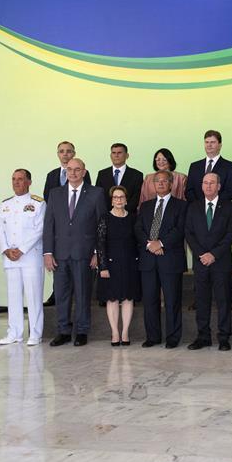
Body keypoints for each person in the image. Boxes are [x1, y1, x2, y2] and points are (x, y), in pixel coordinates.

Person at [43, 158, 106, 347]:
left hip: (85, 253)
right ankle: (63, 331)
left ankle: (81, 331)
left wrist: (97, 253)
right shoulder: (55, 194)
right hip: (60, 254)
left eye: (77, 169)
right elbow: (49, 225)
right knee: (61, 295)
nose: (73, 173)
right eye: (69, 169)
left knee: (82, 294)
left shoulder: (96, 193)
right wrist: (47, 252)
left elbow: (101, 225)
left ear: (84, 172)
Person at [185, 173, 232, 351]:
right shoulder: (193, 207)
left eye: (212, 183)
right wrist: (202, 254)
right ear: (201, 186)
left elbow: (231, 234)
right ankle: (203, 336)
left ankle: (224, 337)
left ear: (219, 186)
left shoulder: (230, 208)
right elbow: (189, 233)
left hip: (221, 261)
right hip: (200, 262)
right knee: (201, 301)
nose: (208, 186)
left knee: (223, 301)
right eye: (205, 183)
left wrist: (213, 254)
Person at [136, 170, 188, 348]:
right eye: (157, 181)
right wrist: (150, 245)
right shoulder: (145, 206)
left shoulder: (181, 205)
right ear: (152, 184)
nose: (160, 184)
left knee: (172, 300)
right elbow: (138, 229)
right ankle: (153, 336)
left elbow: (180, 230)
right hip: (148, 260)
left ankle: (173, 337)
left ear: (171, 184)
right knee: (150, 300)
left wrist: (161, 243)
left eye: (164, 181)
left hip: (170, 260)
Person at [0, 169, 46, 346]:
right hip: (10, 258)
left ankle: (35, 333)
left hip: (31, 257)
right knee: (14, 297)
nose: (16, 182)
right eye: (14, 179)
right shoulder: (5, 204)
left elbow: (39, 230)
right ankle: (14, 333)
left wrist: (22, 249)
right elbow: (0, 228)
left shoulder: (38, 203)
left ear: (29, 182)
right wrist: (6, 249)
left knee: (33, 297)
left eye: (20, 179)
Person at [42, 140, 91, 307]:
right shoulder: (52, 175)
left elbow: (87, 201)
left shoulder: (84, 174)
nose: (65, 154)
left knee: (79, 282)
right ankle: (56, 294)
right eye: (61, 151)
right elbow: (48, 203)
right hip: (59, 231)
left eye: (69, 151)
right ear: (58, 154)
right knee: (60, 275)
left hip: (79, 236)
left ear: (74, 154)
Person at [96, 185, 141, 346]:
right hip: (110, 265)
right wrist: (103, 267)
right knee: (112, 299)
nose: (119, 200)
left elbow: (138, 242)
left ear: (126, 199)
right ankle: (115, 333)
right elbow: (100, 244)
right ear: (111, 200)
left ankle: (125, 332)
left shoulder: (134, 218)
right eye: (115, 197)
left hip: (130, 264)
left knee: (128, 299)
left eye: (121, 197)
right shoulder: (105, 218)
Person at [185, 130, 232, 203]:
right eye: (206, 142)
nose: (209, 145)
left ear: (220, 145)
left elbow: (230, 191)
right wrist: (200, 205)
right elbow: (189, 191)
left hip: (220, 210)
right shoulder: (194, 166)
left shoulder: (230, 167)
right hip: (197, 210)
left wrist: (212, 204)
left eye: (212, 142)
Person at [95, 143, 143, 213]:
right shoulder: (102, 174)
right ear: (110, 155)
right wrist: (111, 213)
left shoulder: (137, 175)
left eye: (119, 153)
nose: (116, 155)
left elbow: (136, 198)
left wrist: (122, 213)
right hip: (107, 216)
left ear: (127, 155)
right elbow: (99, 196)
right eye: (113, 153)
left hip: (129, 217)